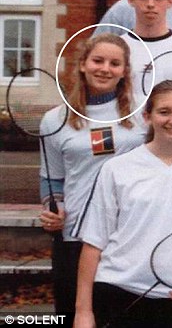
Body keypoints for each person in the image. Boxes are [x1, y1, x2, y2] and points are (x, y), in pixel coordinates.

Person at [74, 80, 172, 328]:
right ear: (147, 116)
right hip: (120, 292)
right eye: (164, 111)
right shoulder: (116, 168)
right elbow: (94, 243)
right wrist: (83, 312)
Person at [38, 34, 146, 324]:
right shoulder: (54, 119)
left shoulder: (143, 117)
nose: (105, 69)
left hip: (128, 235)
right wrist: (53, 206)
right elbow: (51, 177)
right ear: (83, 64)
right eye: (98, 60)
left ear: (125, 71)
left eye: (114, 63)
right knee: (74, 317)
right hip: (74, 237)